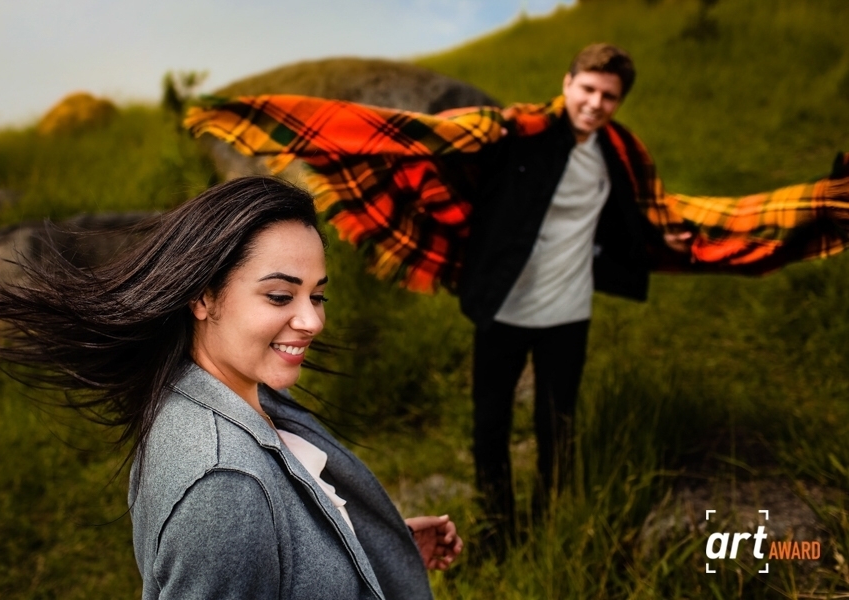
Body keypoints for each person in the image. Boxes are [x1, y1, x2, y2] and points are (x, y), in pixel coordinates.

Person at [182, 45, 849, 545]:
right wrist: (285, 123)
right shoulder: (515, 134)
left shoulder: (620, 156)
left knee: (559, 423)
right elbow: (422, 138)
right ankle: (500, 524)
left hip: (568, 314)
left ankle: (552, 515)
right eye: (588, 89)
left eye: (609, 96)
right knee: (491, 424)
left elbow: (662, 217)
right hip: (502, 309)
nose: (595, 104)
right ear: (569, 84)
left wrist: (777, 214)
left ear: (618, 102)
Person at [0, 176, 462, 599]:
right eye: (280, 295)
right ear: (203, 297)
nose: (311, 320)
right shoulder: (223, 485)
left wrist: (362, 546)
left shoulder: (212, 394)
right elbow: (234, 529)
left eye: (317, 296)